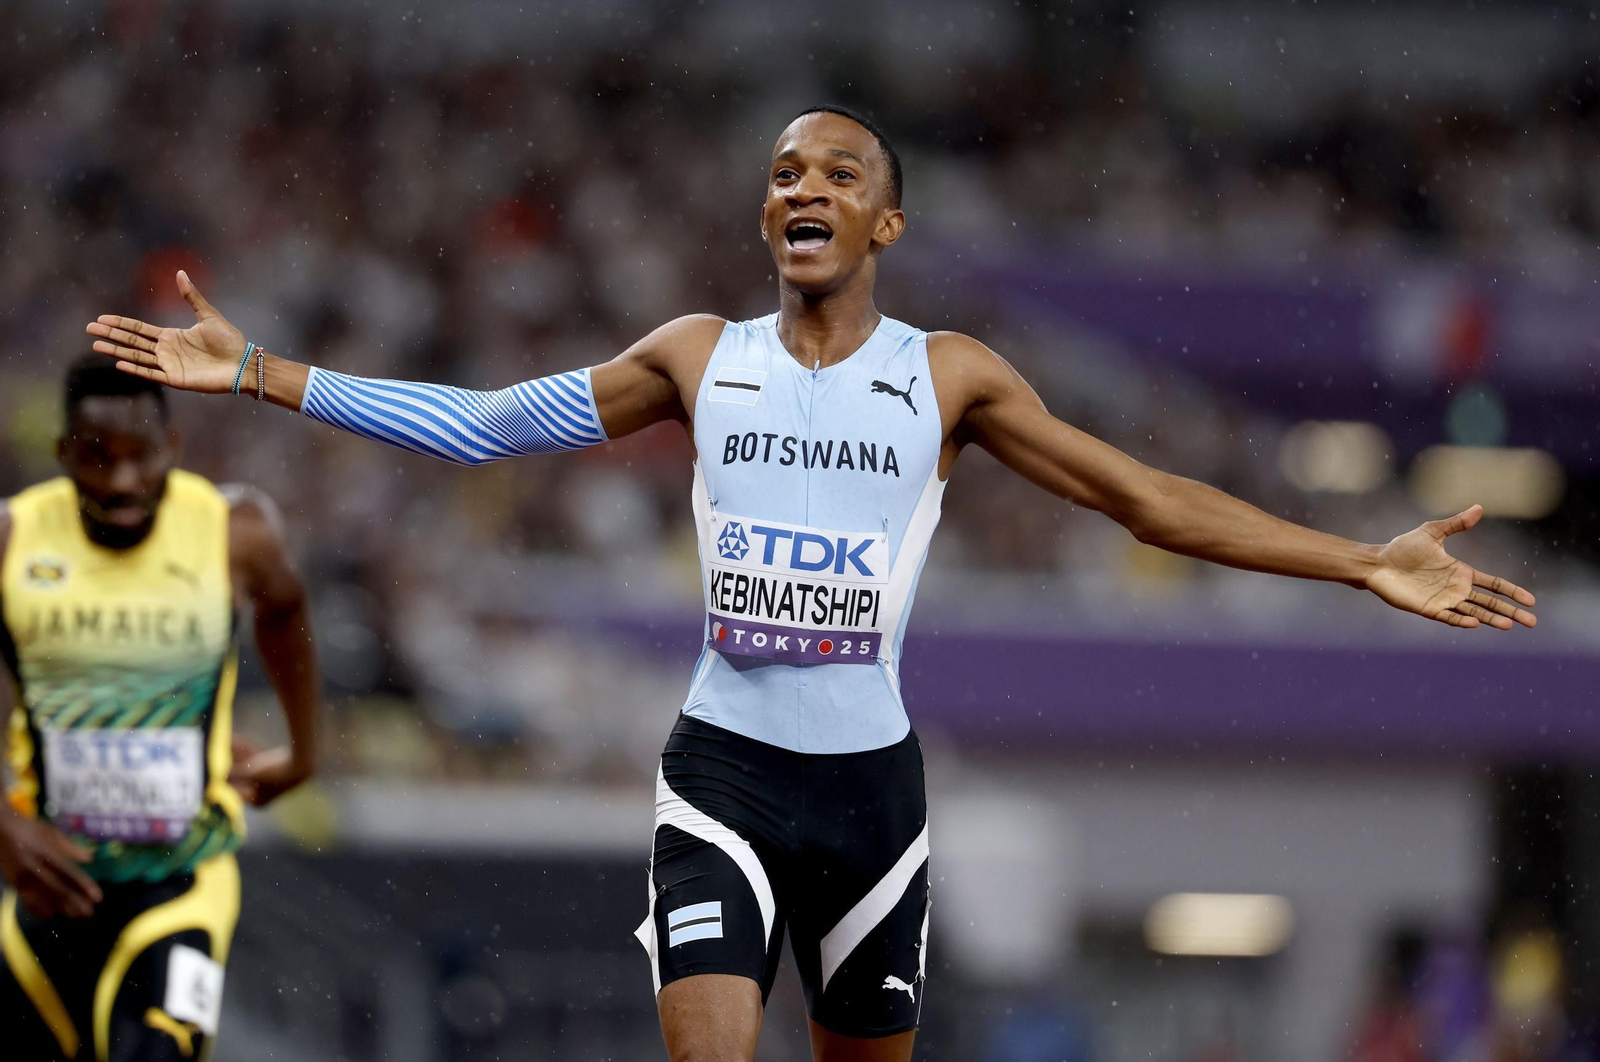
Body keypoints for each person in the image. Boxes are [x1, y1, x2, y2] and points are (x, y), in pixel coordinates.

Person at [85, 105, 1536, 1062]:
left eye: (840, 174)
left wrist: (1361, 558)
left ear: (885, 226)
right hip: (722, 771)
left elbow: (1144, 499)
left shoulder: (949, 377)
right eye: (786, 172)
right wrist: (259, 370)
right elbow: (479, 425)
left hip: (871, 800)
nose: (805, 187)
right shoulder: (697, 356)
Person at [0, 357, 320, 1062]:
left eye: (141, 457)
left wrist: (303, 754)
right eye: (97, 458)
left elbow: (285, 607)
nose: (122, 482)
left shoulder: (233, 530)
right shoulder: (12, 540)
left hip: (183, 881)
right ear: (62, 453)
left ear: (172, 446)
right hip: (50, 892)